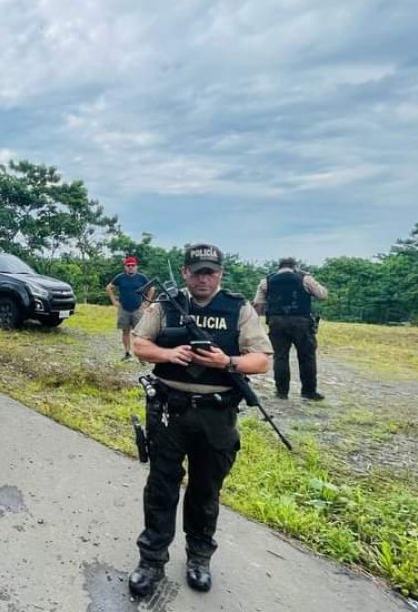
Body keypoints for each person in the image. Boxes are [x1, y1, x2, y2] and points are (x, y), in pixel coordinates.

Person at [128, 243, 272, 598]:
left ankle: (199, 557)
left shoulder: (238, 308)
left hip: (216, 413)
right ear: (185, 273)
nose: (204, 278)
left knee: (206, 490)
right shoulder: (165, 305)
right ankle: (151, 560)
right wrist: (168, 353)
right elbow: (139, 344)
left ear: (220, 273)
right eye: (197, 271)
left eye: (211, 271)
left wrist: (226, 362)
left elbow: (262, 360)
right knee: (161, 487)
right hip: (167, 411)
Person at [253, 257, 329, 400]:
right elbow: (322, 295)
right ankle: (308, 392)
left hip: (277, 321)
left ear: (278, 266)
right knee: (307, 357)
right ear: (295, 266)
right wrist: (310, 278)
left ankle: (282, 392)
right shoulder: (304, 278)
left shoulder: (266, 281)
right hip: (301, 321)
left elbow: (258, 303)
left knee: (280, 357)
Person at [107, 256, 153, 361]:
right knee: (125, 331)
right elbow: (109, 287)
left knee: (140, 333)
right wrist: (114, 301)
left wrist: (147, 302)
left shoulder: (142, 277)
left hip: (138, 308)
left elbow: (152, 288)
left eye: (133, 265)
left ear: (136, 267)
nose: (131, 267)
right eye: (128, 265)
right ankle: (127, 353)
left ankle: (141, 355)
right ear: (125, 267)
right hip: (124, 308)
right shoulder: (120, 277)